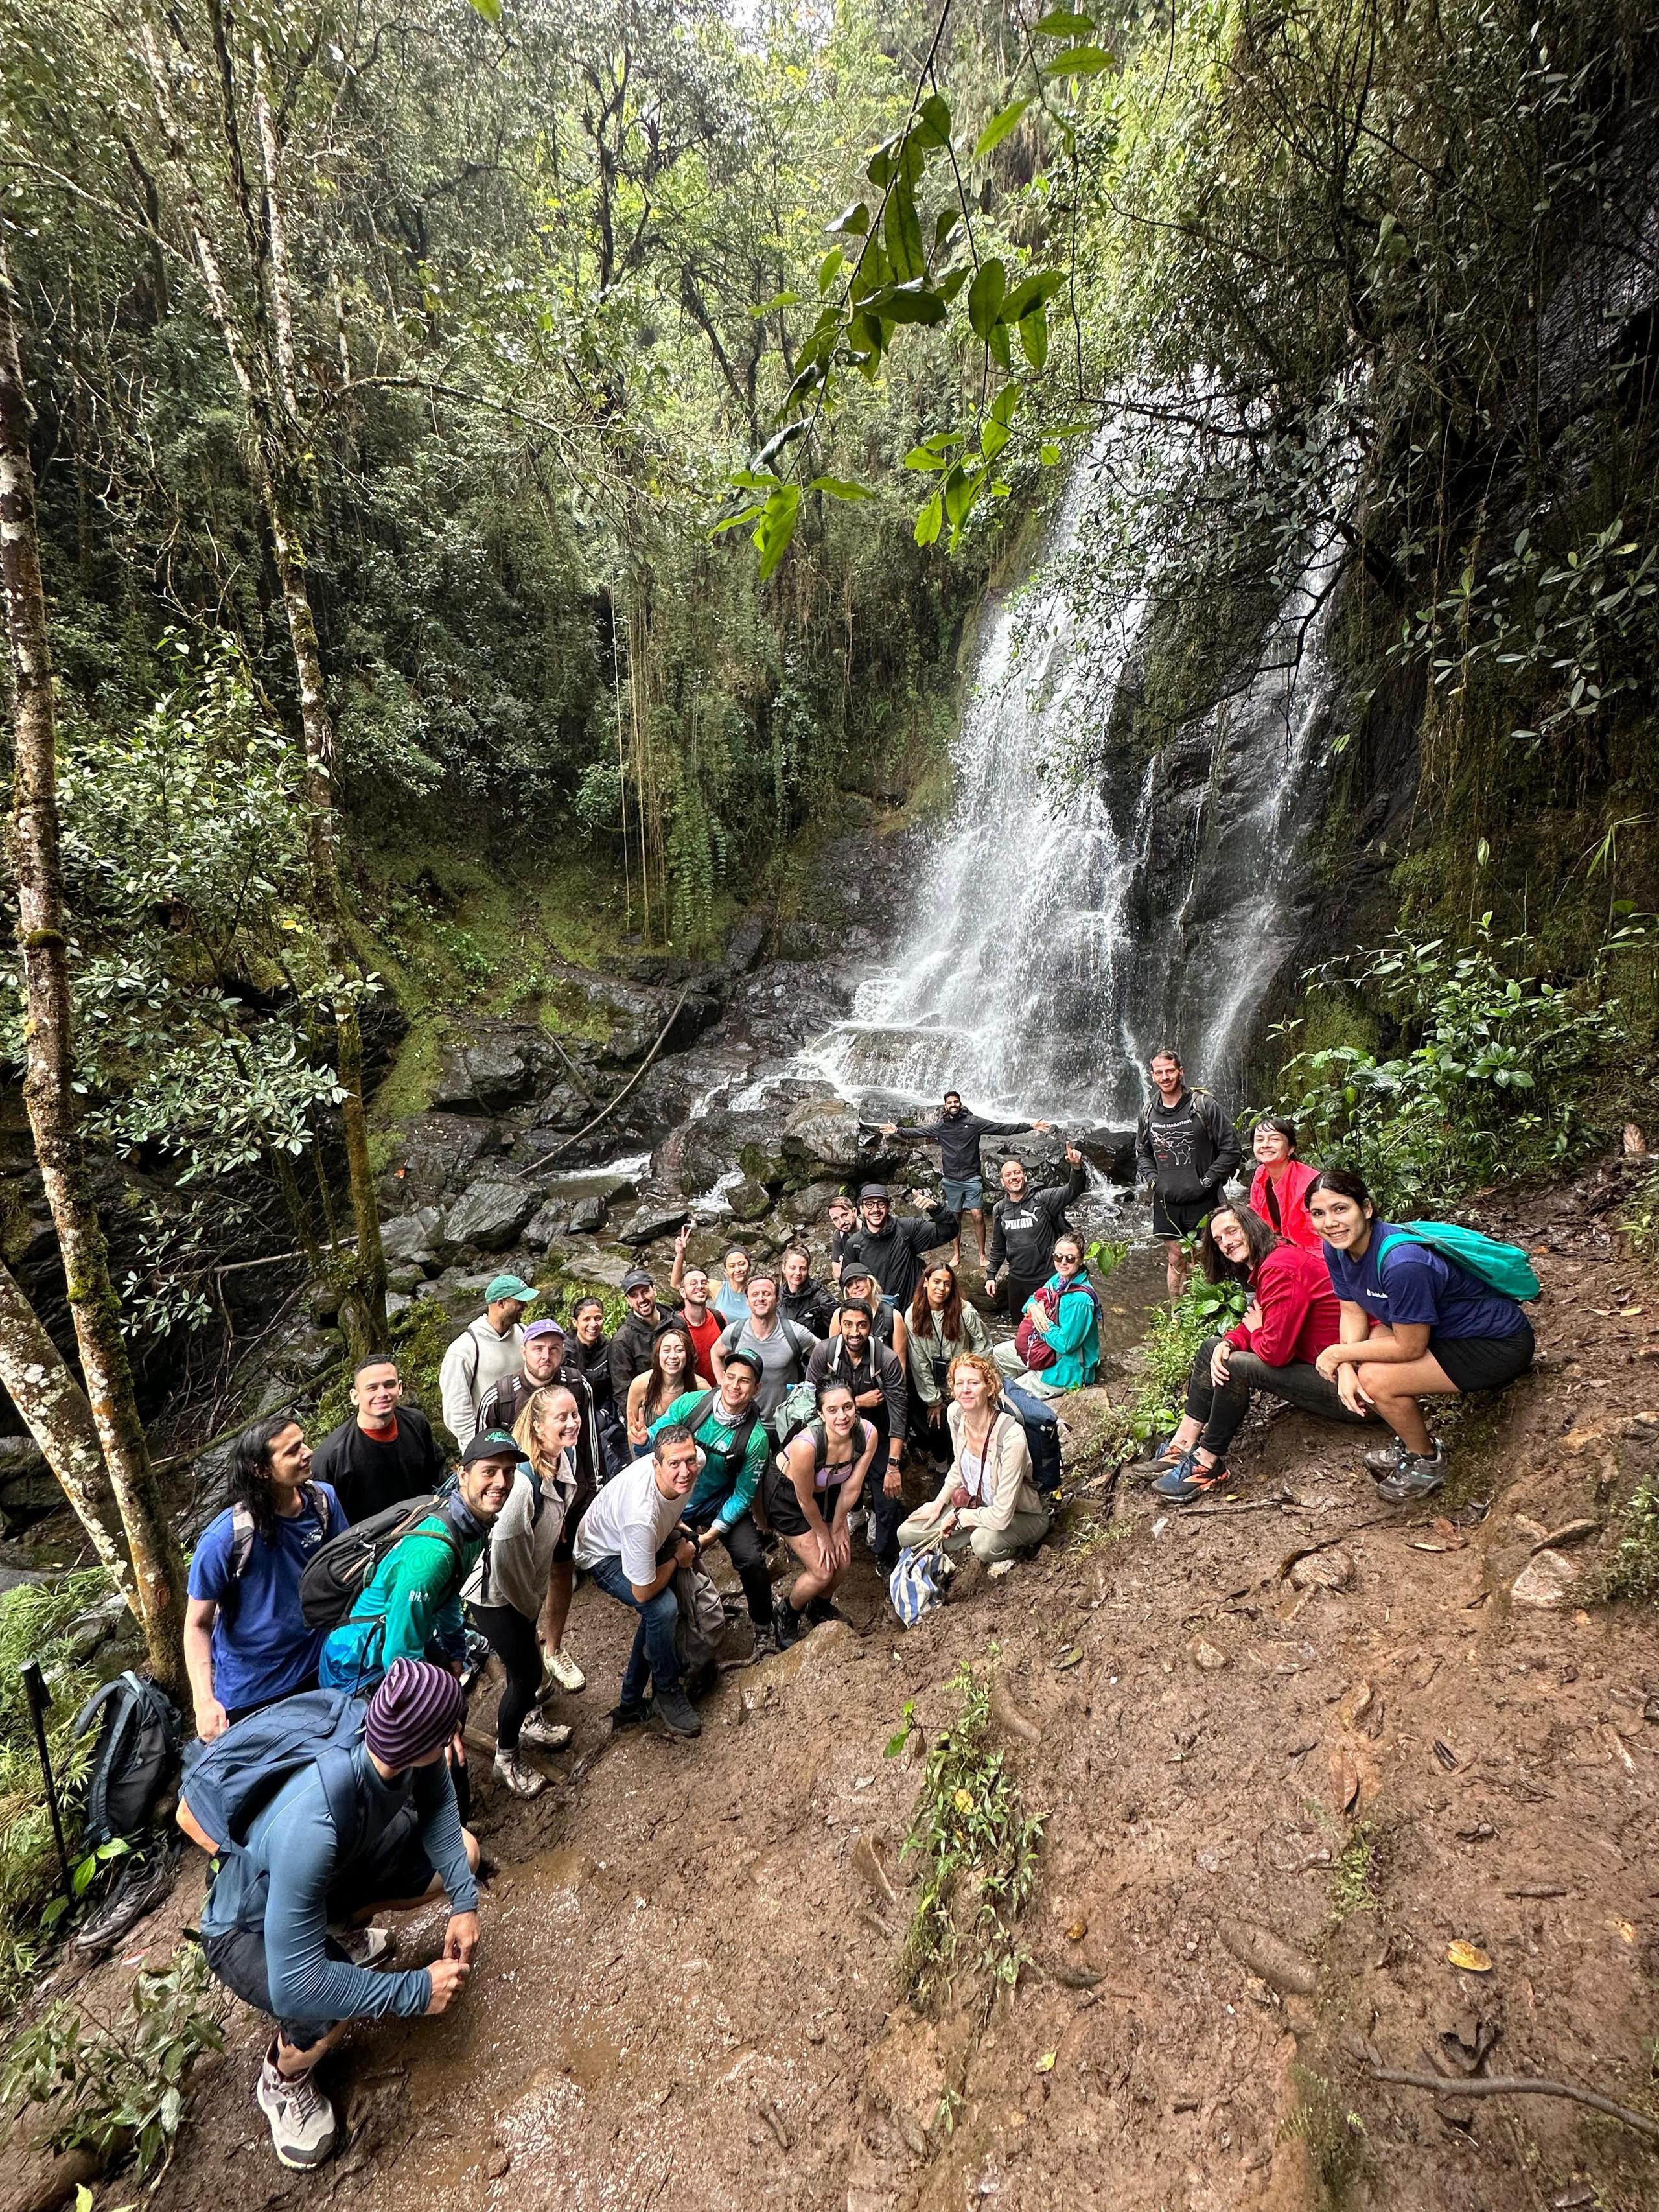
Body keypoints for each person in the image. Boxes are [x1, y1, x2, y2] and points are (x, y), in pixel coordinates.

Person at [187, 1657, 479, 2172]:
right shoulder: (314, 1824)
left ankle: (333, 1932)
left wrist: (464, 1901)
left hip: (322, 1877)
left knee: (465, 1851)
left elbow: (437, 1804)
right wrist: (415, 1990)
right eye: (449, 1732)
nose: (453, 1738)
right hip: (243, 1921)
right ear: (423, 1743)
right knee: (324, 2007)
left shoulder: (399, 1738)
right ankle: (282, 2078)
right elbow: (296, 1984)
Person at [1308, 1168, 1536, 1502]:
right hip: (1444, 1333)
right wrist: (1345, 1366)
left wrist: (1339, 1355)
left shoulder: (1402, 1263)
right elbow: (1353, 1312)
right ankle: (1409, 1439)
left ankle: (1427, 1459)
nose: (1330, 1223)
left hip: (1495, 1344)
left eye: (1340, 1209)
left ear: (1366, 1209)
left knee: (1374, 1378)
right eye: (1318, 1213)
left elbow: (1410, 1347)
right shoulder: (1338, 1249)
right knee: (1372, 1342)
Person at [1141, 1201, 1363, 1504]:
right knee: (1213, 1348)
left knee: (1236, 1366)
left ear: (1251, 1227)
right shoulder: (1272, 1259)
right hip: (1320, 1368)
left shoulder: (1280, 1268)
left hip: (1350, 1390)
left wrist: (1256, 1331)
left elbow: (1275, 1353)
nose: (1226, 1243)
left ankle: (1206, 1463)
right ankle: (1182, 1445)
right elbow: (1260, 1320)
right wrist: (1231, 1341)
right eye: (1219, 1240)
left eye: (1232, 1231)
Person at [186, 1415, 346, 1741]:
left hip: (320, 1664)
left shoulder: (323, 1501)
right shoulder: (223, 1539)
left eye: (303, 1443)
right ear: (262, 1471)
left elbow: (345, 1572)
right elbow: (197, 1624)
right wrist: (204, 1702)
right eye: (292, 1451)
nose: (308, 1452)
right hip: (253, 1688)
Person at [319, 1432, 515, 1695]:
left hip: (395, 1638)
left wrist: (456, 1652)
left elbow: (448, 1596)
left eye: (509, 1472)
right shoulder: (434, 1554)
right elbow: (399, 1660)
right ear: (463, 1475)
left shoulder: (471, 1527)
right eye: (489, 1471)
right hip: (355, 1669)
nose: (501, 1482)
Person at [462, 1386, 578, 1797]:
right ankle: (506, 1757)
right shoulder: (522, 1486)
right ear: (539, 1427)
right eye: (561, 1418)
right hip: (494, 1596)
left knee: (521, 1667)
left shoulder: (561, 1457)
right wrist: (530, 1608)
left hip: (522, 1587)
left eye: (575, 1414)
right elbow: (506, 1563)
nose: (572, 1423)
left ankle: (528, 1720)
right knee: (528, 1673)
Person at [572, 1423, 703, 1738]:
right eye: (674, 1464)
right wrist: (677, 1558)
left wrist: (676, 1526)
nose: (685, 1471)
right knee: (661, 1608)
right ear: (656, 1465)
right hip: (602, 1552)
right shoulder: (641, 1517)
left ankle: (629, 1704)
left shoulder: (695, 1461)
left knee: (658, 1611)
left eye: (689, 1460)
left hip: (631, 1537)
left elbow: (673, 1500)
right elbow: (643, 1592)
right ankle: (667, 1690)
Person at [649, 1348, 774, 1647]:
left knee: (751, 1559)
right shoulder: (692, 1405)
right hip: (676, 1497)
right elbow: (657, 1438)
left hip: (720, 1498)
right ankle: (678, 1624)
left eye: (745, 1381)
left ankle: (763, 1625)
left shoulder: (756, 1439)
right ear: (721, 1377)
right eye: (731, 1377)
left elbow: (743, 1495)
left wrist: (710, 1536)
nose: (735, 1386)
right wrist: (643, 1437)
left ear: (756, 1389)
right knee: (657, 1555)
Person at [896, 1353, 1051, 1567]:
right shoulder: (956, 1415)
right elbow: (958, 1467)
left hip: (1021, 1515)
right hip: (978, 1505)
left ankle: (1017, 1551)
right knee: (906, 1533)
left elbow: (1002, 1516)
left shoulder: (1010, 1436)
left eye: (974, 1383)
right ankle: (963, 1536)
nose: (965, 1390)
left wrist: (960, 1517)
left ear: (990, 1388)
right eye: (959, 1383)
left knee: (983, 1543)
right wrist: (938, 1503)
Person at [878, 1092, 1053, 1268]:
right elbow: (918, 1132)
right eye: (950, 1103)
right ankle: (956, 1253)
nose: (953, 1105)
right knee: (955, 1218)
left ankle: (982, 1254)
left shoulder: (974, 1123)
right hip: (951, 1180)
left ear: (960, 1104)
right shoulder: (941, 1127)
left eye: (956, 1102)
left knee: (977, 1215)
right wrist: (898, 1130)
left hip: (972, 1178)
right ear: (945, 1106)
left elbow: (1000, 1128)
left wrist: (1030, 1126)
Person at [767, 1377, 879, 1647]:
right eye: (832, 1410)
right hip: (789, 1497)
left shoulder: (867, 1434)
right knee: (823, 1570)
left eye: (848, 1407)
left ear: (856, 1406)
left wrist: (838, 1526)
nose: (842, 1417)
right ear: (820, 1413)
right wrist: (823, 1534)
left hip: (830, 1492)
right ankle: (787, 1612)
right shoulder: (806, 1445)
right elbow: (804, 1499)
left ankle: (818, 1606)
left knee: (843, 1561)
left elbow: (852, 1488)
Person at [806, 1297, 908, 1568]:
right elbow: (808, 1401)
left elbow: (899, 1412)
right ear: (840, 1325)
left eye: (861, 1325)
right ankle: (843, 1521)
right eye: (848, 1325)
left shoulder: (886, 1359)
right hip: (835, 1433)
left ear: (871, 1327)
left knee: (887, 1497)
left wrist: (894, 1465)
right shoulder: (825, 1354)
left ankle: (886, 1555)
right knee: (828, 1486)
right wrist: (858, 1402)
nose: (854, 1332)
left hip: (878, 1433)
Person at [1135, 1049, 1240, 1296]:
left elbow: (1231, 1149)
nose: (1165, 1077)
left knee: (1202, 1258)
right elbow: (1142, 1152)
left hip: (1204, 1198)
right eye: (1159, 1072)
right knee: (1175, 1257)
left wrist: (1207, 1180)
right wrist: (1153, 1181)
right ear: (1152, 1076)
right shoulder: (1148, 1113)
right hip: (1167, 1200)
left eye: (1170, 1071)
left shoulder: (1204, 1106)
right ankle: (1176, 1311)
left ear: (1180, 1071)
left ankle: (1202, 1311)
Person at [310, 1358, 445, 1525]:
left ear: (400, 1388)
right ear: (355, 1396)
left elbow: (437, 1477)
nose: (383, 1394)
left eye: (389, 1385)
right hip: (369, 1537)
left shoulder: (417, 1423)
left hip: (425, 1523)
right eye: (372, 1388)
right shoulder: (332, 1457)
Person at [711, 1266, 820, 1431]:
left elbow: (824, 1354)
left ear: (777, 1299)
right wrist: (723, 1386)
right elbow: (715, 1352)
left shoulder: (794, 1332)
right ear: (747, 1300)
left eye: (767, 1294)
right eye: (755, 1294)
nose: (761, 1298)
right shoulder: (735, 1331)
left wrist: (813, 1391)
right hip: (744, 1422)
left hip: (786, 1423)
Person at [987, 1144, 1087, 1321]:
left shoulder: (1043, 1199)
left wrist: (1076, 1168)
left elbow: (1072, 1190)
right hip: (1017, 1280)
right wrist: (991, 1275)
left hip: (1047, 1277)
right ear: (1002, 1182)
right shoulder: (1000, 1210)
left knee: (1050, 1324)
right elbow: (998, 1246)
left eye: (1017, 1173)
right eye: (1008, 1175)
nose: (1014, 1177)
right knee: (1021, 1327)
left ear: (1024, 1176)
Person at [906, 1263, 992, 1467]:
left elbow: (983, 1344)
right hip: (932, 1384)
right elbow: (919, 1361)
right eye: (936, 1282)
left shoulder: (965, 1311)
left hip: (963, 1381)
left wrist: (971, 1377)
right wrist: (933, 1400)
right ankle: (941, 1465)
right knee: (935, 1424)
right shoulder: (913, 1314)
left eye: (947, 1284)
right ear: (926, 1283)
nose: (941, 1289)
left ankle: (968, 1463)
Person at [996, 1229, 1101, 1398]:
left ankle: (1021, 1395)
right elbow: (1032, 1299)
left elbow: (1065, 1345)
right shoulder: (1059, 1279)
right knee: (1000, 1353)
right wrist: (1034, 1309)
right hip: (1046, 1350)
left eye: (1070, 1258)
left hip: (1066, 1371)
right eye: (1058, 1257)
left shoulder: (1080, 1300)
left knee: (1004, 1397)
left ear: (1081, 1259)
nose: (1063, 1262)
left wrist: (1042, 1323)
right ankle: (1022, 1389)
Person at [439, 1274, 537, 1449]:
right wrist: (481, 1446)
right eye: (519, 1302)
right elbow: (456, 1411)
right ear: (501, 1303)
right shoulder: (465, 1348)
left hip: (528, 1439)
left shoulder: (525, 1334)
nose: (525, 1307)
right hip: (487, 1445)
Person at [841, 1182, 957, 1312]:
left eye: (881, 1204)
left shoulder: (907, 1229)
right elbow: (847, 1282)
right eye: (869, 1204)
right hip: (878, 1315)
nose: (875, 1209)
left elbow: (949, 1230)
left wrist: (936, 1209)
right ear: (862, 1209)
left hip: (912, 1312)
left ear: (888, 1206)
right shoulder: (854, 1244)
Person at [607, 1269, 688, 1406]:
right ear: (628, 1301)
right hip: (648, 1407)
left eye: (645, 1292)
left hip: (683, 1401)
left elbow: (692, 1363)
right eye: (634, 1296)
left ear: (654, 1290)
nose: (641, 1299)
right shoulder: (622, 1340)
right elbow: (623, 1390)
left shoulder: (677, 1323)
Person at [626, 1325, 710, 1454]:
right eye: (666, 1350)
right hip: (648, 1456)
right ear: (658, 1355)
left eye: (679, 1350)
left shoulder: (700, 1388)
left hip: (685, 1459)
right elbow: (633, 1433)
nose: (673, 1356)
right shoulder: (641, 1384)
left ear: (688, 1356)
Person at [1248, 1115, 1322, 1253]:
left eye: (1274, 1139)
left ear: (1290, 1148)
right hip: (1275, 1249)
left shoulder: (1310, 1182)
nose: (1265, 1145)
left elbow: (1322, 1236)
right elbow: (1255, 1218)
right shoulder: (1261, 1174)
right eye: (1259, 1140)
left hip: (1313, 1254)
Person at [667, 1228, 725, 1375]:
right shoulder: (676, 1325)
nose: (700, 1286)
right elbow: (675, 1283)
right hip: (691, 1387)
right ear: (683, 1292)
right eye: (693, 1283)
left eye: (704, 1282)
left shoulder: (719, 1318)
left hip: (719, 1386)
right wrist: (680, 1254)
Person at [833, 1258, 909, 1364]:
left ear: (870, 1280)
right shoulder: (839, 1315)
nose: (856, 1286)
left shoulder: (893, 1316)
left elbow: (900, 1363)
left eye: (859, 1280)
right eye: (850, 1284)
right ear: (847, 1292)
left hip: (885, 1372)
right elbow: (835, 1357)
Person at [780, 1242, 836, 1336]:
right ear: (784, 1269)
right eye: (793, 1268)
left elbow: (838, 1326)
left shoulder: (820, 1296)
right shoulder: (777, 1298)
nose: (798, 1273)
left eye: (803, 1269)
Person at [712, 1243, 752, 1325]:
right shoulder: (717, 1287)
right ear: (726, 1271)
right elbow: (685, 1285)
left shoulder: (757, 1292)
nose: (738, 1270)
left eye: (742, 1264)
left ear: (750, 1266)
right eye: (732, 1266)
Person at [824, 1194, 857, 1281]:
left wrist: (847, 1264)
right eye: (836, 1219)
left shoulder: (869, 1227)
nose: (842, 1222)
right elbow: (837, 1273)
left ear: (854, 1212)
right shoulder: (839, 1236)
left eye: (844, 1215)